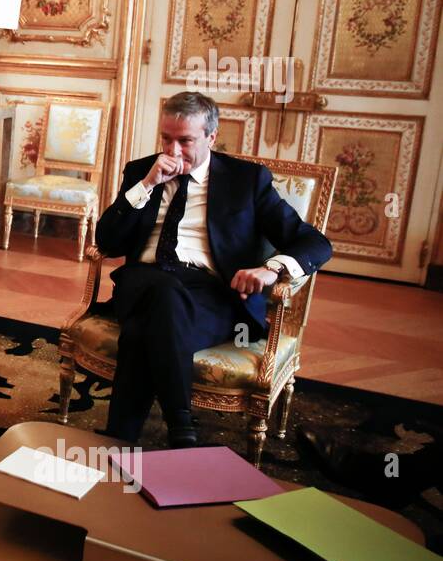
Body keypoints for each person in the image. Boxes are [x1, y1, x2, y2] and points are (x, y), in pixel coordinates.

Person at [93, 91, 332, 447]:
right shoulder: (142, 171)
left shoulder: (246, 180)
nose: (173, 151)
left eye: (185, 141)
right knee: (161, 289)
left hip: (211, 295)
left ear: (211, 137)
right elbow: (108, 240)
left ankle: (119, 439)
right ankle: (181, 428)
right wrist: (146, 186)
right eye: (166, 139)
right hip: (142, 282)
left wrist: (271, 269)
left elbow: (314, 242)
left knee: (147, 327)